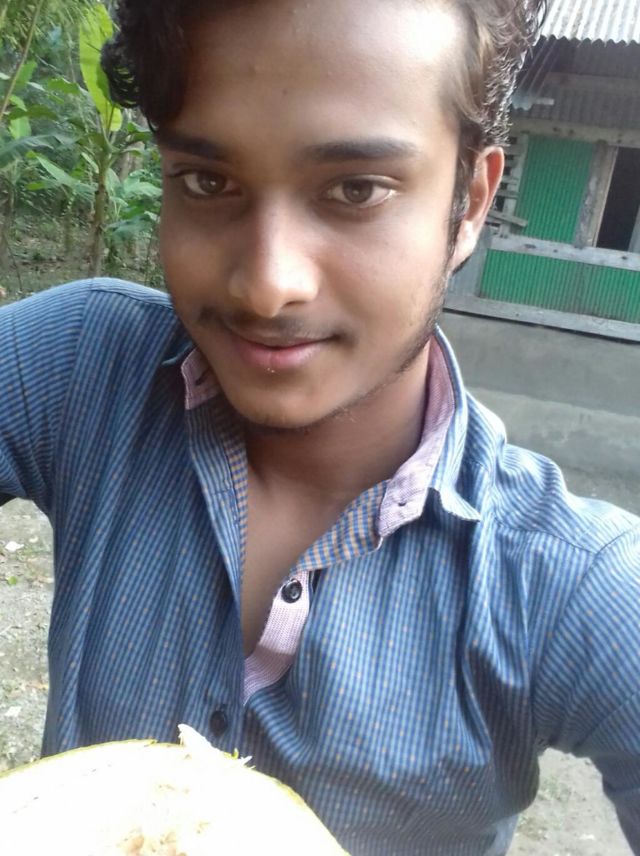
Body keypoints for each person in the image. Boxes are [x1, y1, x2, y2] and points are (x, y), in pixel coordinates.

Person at [1, 0, 639, 853]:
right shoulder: (80, 368)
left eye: (355, 189)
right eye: (207, 182)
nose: (268, 285)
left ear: (470, 203)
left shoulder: (564, 585)